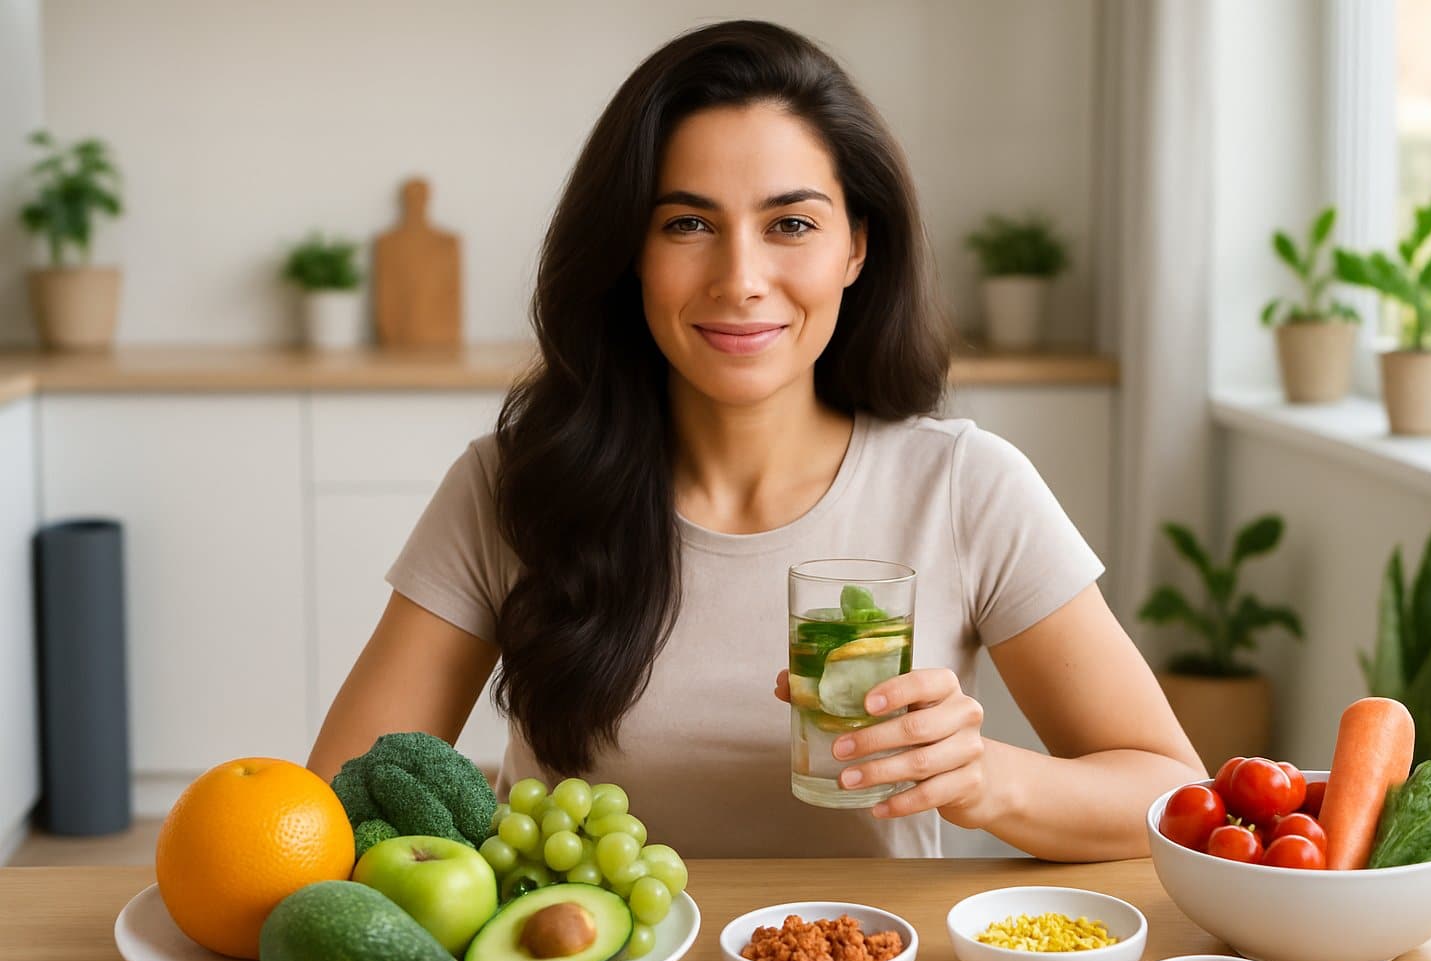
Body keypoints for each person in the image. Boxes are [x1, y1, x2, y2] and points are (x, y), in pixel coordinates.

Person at [307, 19, 1203, 860]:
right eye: (688, 224)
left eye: (792, 225)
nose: (741, 279)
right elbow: (336, 803)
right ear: (630, 254)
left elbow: (1170, 790)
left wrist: (986, 779)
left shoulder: (965, 485)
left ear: (858, 246)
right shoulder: (510, 486)